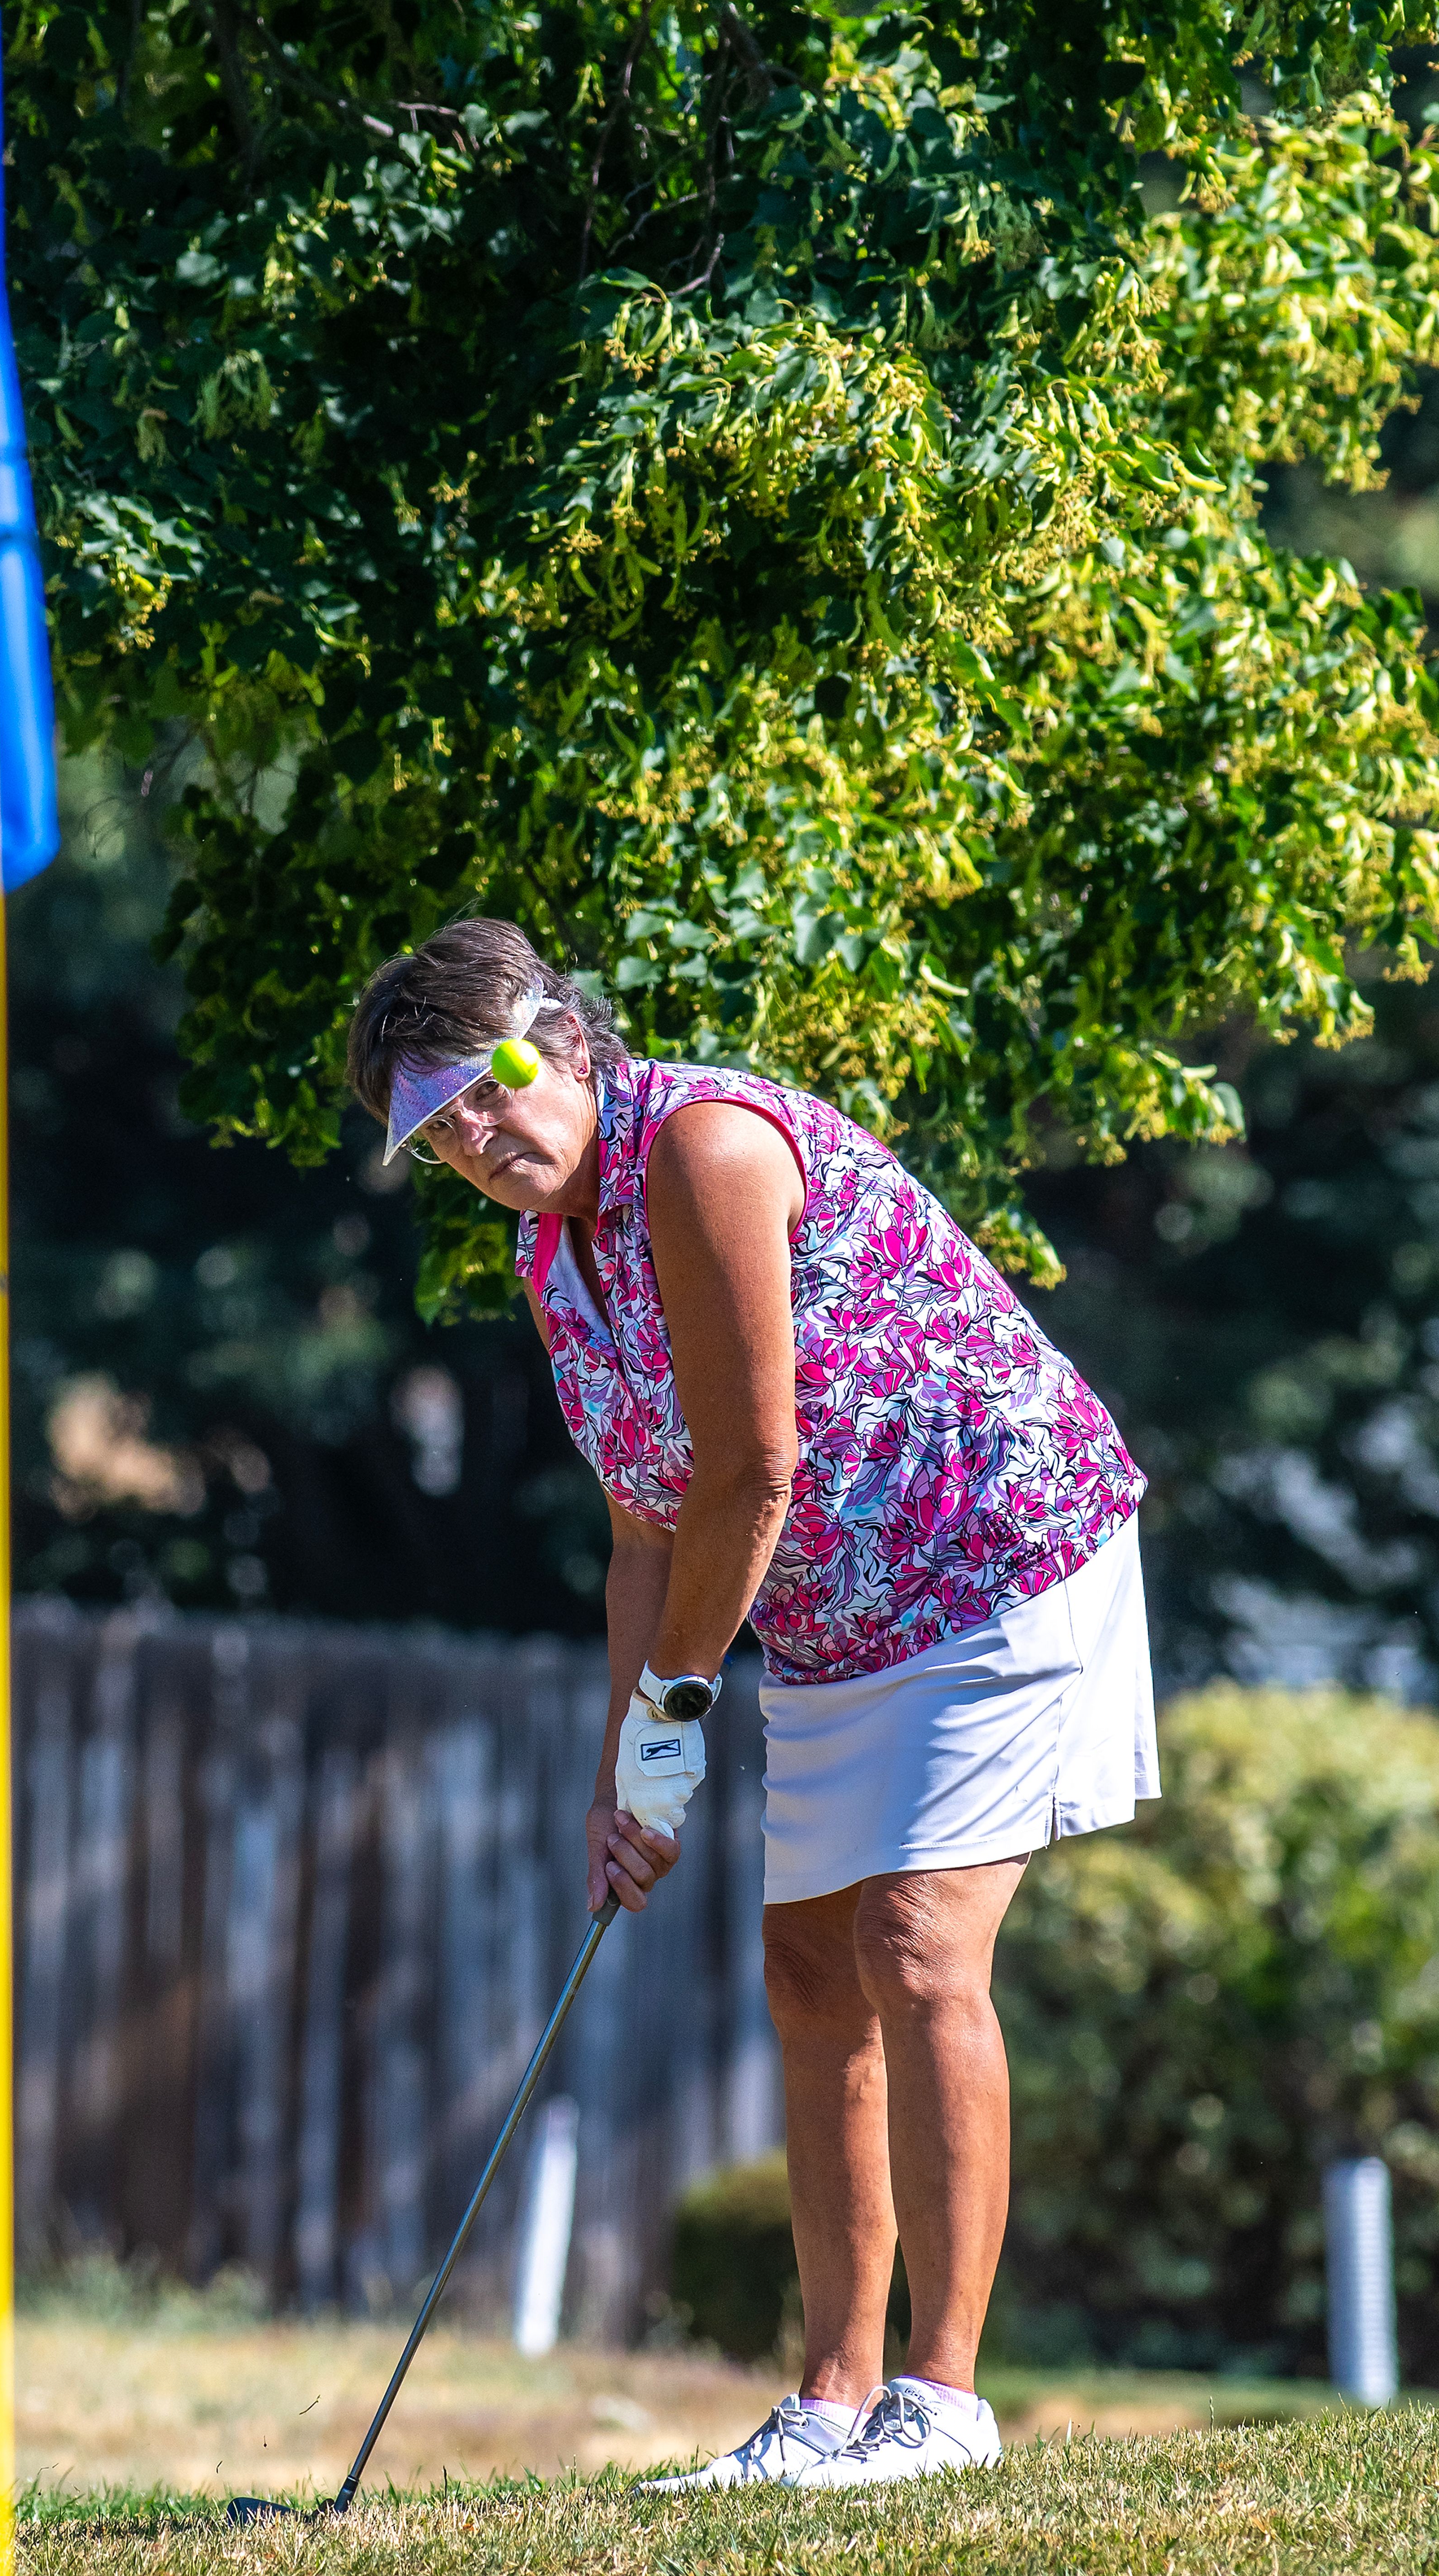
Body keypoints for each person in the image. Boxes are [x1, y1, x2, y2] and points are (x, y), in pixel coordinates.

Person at [346, 918, 1155, 2493]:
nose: (478, 1137)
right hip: (841, 1618)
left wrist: (680, 1707)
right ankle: (830, 2407)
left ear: (567, 1042)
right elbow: (646, 1525)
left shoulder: (703, 1147)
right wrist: (621, 1778)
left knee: (916, 1948)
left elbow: (756, 1472)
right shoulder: (547, 1257)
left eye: (494, 1087)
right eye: (435, 1127)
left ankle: (943, 2406)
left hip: (999, 1552)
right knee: (807, 1973)